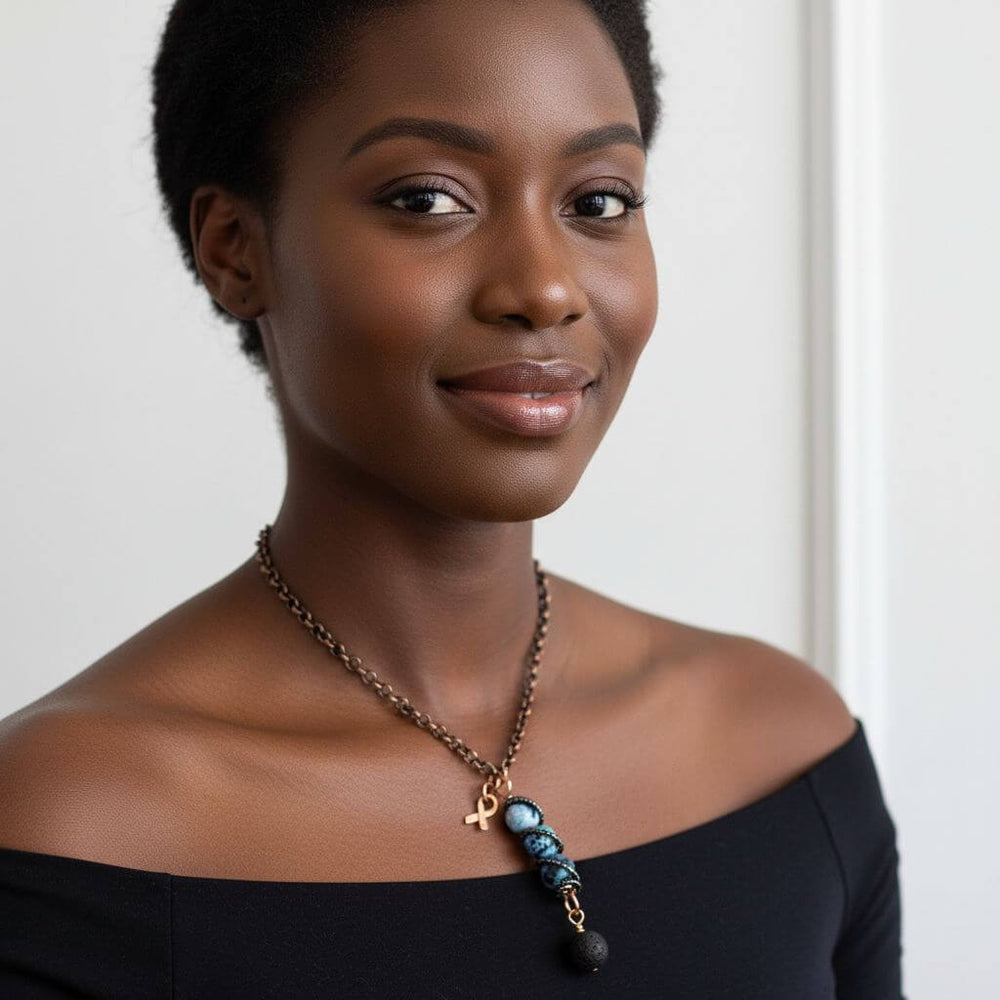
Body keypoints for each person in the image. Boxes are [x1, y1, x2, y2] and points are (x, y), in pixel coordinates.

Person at [0, 0, 904, 995]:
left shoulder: (782, 745)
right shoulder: (65, 829)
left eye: (598, 201)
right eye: (428, 199)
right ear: (234, 249)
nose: (545, 287)